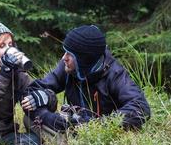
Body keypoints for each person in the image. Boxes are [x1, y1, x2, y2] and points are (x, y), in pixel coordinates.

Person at [21, 25, 150, 132]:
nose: (63, 58)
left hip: (103, 138)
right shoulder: (67, 67)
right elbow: (30, 92)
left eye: (69, 54)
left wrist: (95, 125)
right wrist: (48, 117)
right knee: (31, 119)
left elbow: (141, 107)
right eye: (65, 52)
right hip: (72, 129)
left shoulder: (115, 74)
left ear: (84, 60)